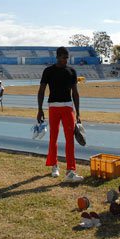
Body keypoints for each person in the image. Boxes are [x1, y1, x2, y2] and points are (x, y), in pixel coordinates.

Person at [37, 46, 84, 183]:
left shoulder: (71, 71)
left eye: (67, 58)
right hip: (53, 107)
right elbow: (41, 91)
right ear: (57, 57)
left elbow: (75, 93)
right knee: (53, 138)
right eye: (63, 57)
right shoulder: (48, 71)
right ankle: (54, 166)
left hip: (68, 108)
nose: (65, 60)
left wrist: (78, 112)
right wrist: (40, 109)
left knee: (70, 139)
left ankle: (70, 171)